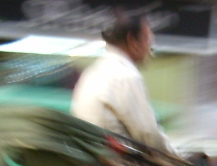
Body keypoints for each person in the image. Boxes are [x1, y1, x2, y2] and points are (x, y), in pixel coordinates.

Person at [71, 12, 179, 156]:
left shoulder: (92, 72)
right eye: (148, 40)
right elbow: (149, 136)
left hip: (93, 159)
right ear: (132, 40)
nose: (150, 49)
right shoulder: (125, 75)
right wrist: (180, 160)